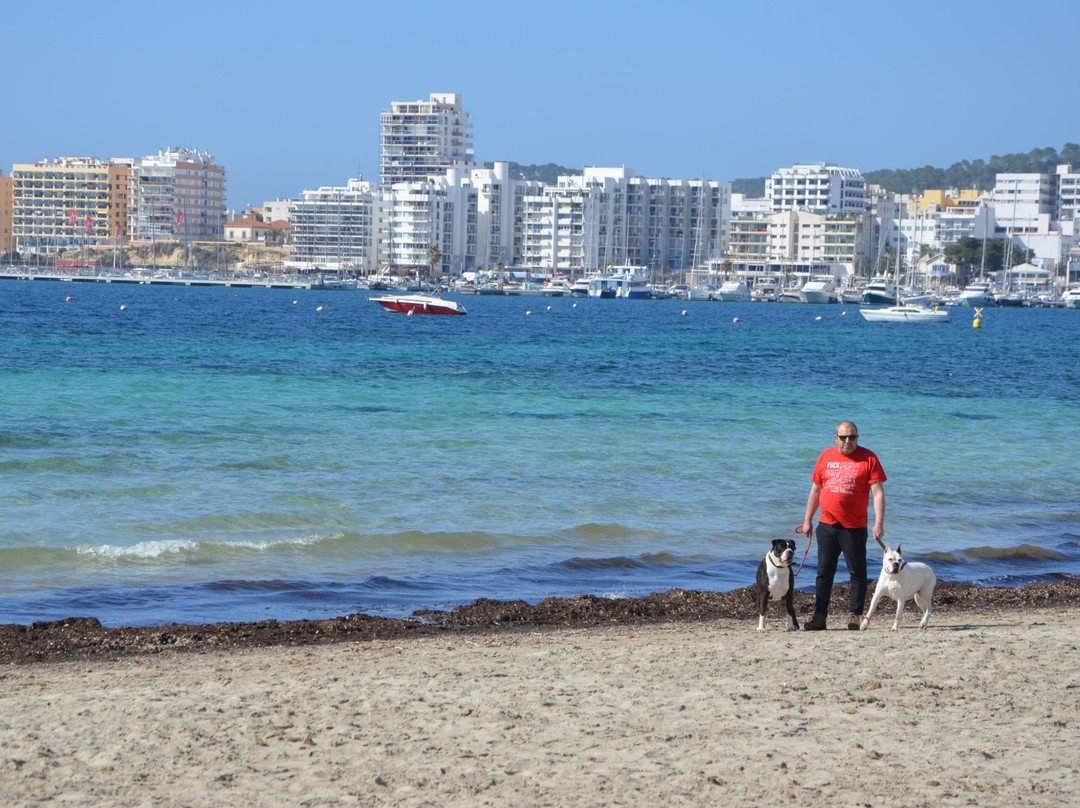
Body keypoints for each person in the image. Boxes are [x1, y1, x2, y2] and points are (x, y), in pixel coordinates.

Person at [801, 421, 886, 631]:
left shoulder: (869, 458)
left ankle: (855, 616)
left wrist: (879, 523)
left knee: (857, 572)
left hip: (854, 526)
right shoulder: (825, 456)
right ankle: (819, 617)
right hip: (827, 524)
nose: (847, 441)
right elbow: (816, 489)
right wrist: (807, 520)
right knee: (823, 572)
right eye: (843, 437)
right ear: (835, 438)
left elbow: (878, 493)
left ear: (858, 437)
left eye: (852, 437)